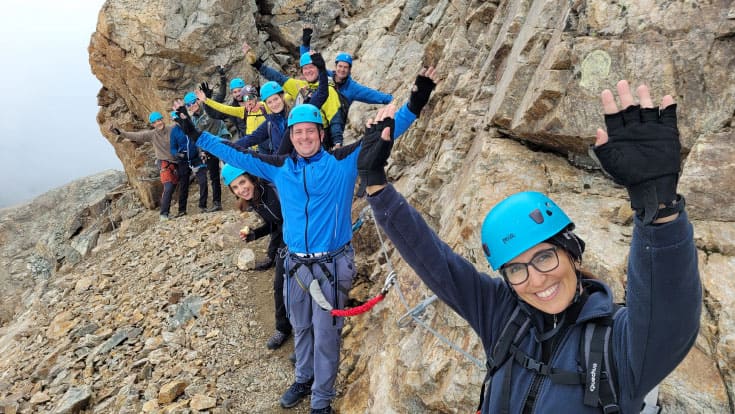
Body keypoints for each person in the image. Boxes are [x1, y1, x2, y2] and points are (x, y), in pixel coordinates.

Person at [358, 80, 701, 413]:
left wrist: (657, 209)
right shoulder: (503, 315)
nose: (536, 281)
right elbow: (434, 260)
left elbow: (669, 313)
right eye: (516, 269)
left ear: (571, 252)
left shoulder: (622, 344)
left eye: (544, 257)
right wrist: (375, 184)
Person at [171, 68, 437, 414]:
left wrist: (418, 97)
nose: (304, 137)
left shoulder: (343, 161)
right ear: (291, 136)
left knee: (326, 337)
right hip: (296, 264)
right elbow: (236, 155)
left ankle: (321, 400)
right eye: (298, 132)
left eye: (310, 131)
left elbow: (391, 130)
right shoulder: (281, 167)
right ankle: (303, 377)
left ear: (321, 133)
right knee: (301, 326)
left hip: (331, 263)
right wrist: (194, 133)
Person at [196, 53, 329, 155]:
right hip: (284, 165)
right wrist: (223, 147)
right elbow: (251, 139)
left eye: (276, 99)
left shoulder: (296, 112)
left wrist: (322, 70)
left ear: (282, 97)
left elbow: (322, 94)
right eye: (270, 102)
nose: (274, 104)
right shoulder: (269, 122)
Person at [221, 164, 292, 350]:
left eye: (242, 182)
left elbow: (286, 217)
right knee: (280, 285)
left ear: (250, 178)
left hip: (299, 236)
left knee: (287, 284)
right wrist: (254, 234)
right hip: (288, 236)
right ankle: (283, 328)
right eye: (235, 187)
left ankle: (300, 332)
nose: (241, 189)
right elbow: (274, 223)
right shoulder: (255, 199)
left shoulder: (269, 190)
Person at [243, 42, 346, 149]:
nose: (308, 71)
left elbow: (335, 119)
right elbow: (278, 78)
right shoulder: (300, 85)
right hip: (298, 135)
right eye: (305, 68)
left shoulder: (328, 89)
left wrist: (337, 143)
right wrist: (257, 64)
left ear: (318, 68)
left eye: (311, 67)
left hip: (319, 138)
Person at [110, 111, 178, 221]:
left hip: (178, 161)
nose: (159, 123)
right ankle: (164, 214)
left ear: (162, 119)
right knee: (168, 187)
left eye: (159, 120)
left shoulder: (172, 129)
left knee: (175, 186)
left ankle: (177, 211)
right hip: (165, 163)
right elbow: (136, 136)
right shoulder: (152, 134)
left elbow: (183, 124)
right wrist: (120, 132)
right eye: (155, 122)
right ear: (153, 124)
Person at [178, 92, 232, 212]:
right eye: (188, 105)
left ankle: (241, 197)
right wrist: (202, 151)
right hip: (208, 148)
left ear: (198, 100)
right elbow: (195, 136)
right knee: (214, 176)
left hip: (221, 140)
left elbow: (213, 124)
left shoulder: (208, 108)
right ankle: (217, 203)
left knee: (231, 169)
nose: (192, 105)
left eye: (193, 102)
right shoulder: (193, 120)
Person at [199, 68, 267, 140]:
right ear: (232, 94)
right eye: (235, 92)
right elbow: (213, 114)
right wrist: (206, 100)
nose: (238, 94)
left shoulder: (258, 101)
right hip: (248, 142)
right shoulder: (232, 109)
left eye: (239, 90)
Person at [170, 113, 208, 217]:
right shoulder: (174, 131)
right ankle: (182, 210)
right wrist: (176, 154)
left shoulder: (191, 125)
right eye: (175, 120)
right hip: (183, 160)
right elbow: (172, 147)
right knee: (184, 185)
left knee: (203, 180)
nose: (177, 122)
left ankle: (203, 206)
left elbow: (200, 139)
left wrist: (203, 152)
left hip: (196, 157)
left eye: (178, 119)